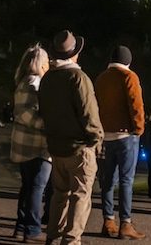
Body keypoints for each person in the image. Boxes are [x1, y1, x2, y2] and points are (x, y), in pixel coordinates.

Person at [39, 30, 104, 245]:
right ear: (75, 54)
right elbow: (89, 113)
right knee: (80, 196)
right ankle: (71, 240)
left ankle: (52, 234)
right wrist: (96, 138)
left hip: (56, 145)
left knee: (60, 194)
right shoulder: (78, 77)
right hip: (79, 146)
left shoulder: (48, 77)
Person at [95, 45, 146, 240]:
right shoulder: (129, 76)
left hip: (105, 136)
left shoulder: (101, 78)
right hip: (126, 136)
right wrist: (139, 128)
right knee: (126, 180)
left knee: (107, 181)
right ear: (128, 61)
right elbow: (136, 103)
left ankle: (108, 221)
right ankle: (126, 222)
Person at [10, 44, 52, 243]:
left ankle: (21, 227)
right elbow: (26, 113)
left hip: (22, 144)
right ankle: (32, 229)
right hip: (35, 145)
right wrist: (47, 125)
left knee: (28, 187)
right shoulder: (34, 83)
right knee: (37, 187)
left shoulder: (22, 82)